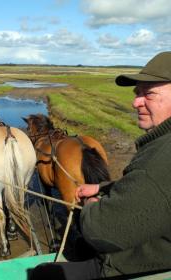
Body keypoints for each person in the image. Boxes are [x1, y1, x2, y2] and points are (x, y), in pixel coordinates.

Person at [30, 51, 171, 280]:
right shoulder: (161, 148)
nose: (136, 102)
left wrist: (91, 203)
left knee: (42, 274)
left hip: (136, 264)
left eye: (150, 94)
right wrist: (102, 187)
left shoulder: (162, 155)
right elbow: (155, 187)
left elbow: (100, 230)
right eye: (137, 93)